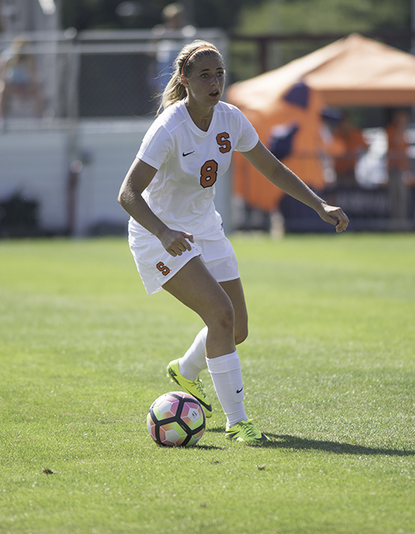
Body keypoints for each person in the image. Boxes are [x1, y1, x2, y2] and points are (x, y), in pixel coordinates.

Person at [117, 41, 349, 444]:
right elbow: (128, 194)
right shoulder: (170, 126)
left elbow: (272, 170)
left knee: (236, 328)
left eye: (219, 73)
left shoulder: (231, 119)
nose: (214, 82)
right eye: (205, 75)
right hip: (160, 235)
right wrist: (165, 233)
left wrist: (318, 204)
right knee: (220, 315)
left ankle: (185, 370)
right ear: (185, 80)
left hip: (205, 228)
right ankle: (238, 421)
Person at [0, 37, 44, 127]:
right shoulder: (7, 57)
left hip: (24, 85)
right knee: (0, 88)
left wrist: (29, 64)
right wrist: (10, 63)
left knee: (37, 89)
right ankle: (0, 120)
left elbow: (34, 77)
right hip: (11, 85)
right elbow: (1, 77)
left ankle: (39, 119)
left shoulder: (29, 58)